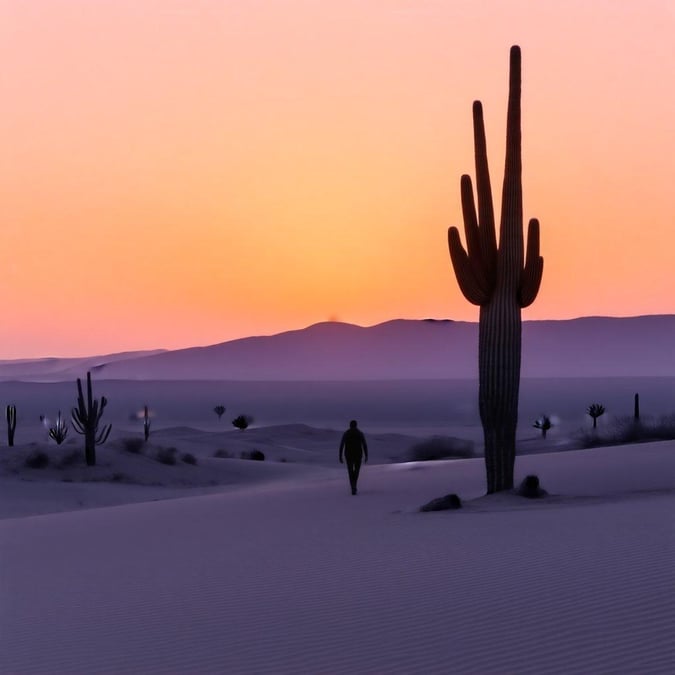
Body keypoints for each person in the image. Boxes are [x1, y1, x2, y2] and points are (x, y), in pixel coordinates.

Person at [339, 420, 368, 495]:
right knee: (356, 471)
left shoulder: (347, 433)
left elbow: (342, 445)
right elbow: (364, 445)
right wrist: (366, 455)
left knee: (350, 471)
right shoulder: (359, 433)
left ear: (350, 425)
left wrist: (340, 456)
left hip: (349, 455)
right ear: (356, 425)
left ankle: (353, 486)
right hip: (358, 455)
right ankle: (354, 486)